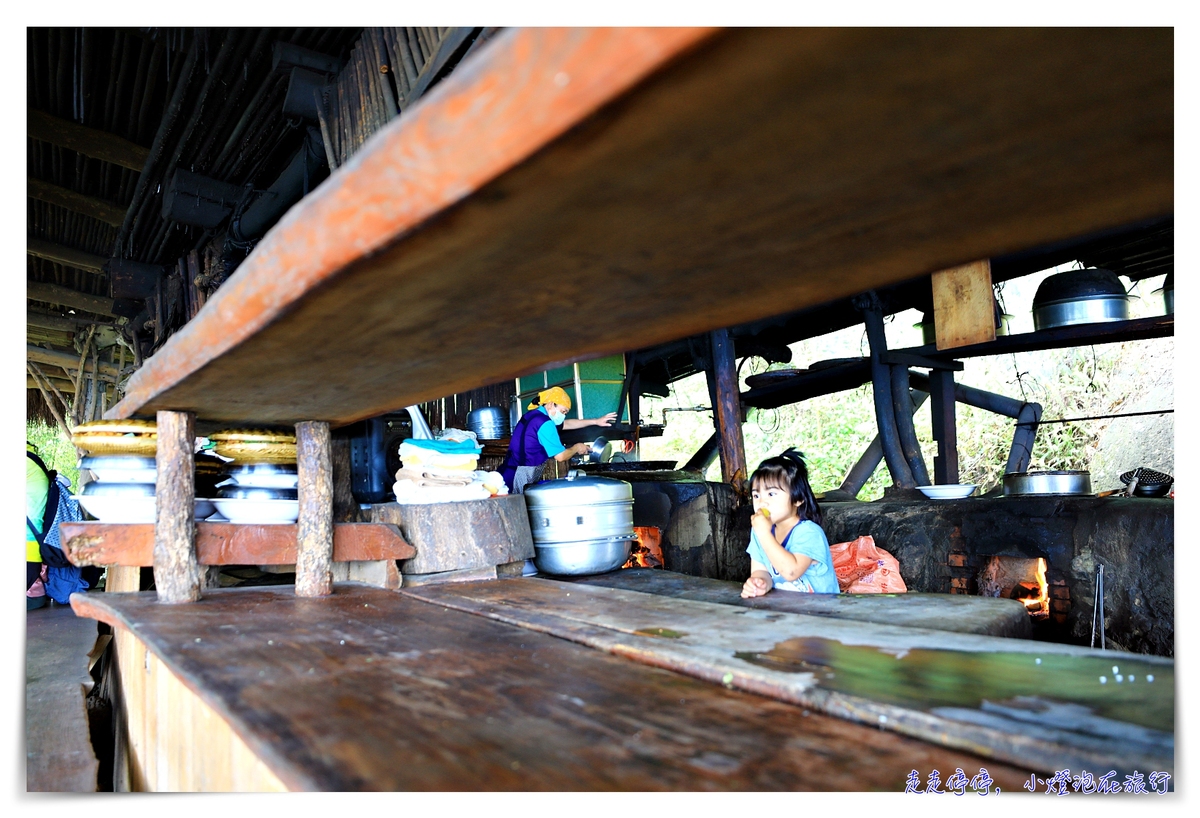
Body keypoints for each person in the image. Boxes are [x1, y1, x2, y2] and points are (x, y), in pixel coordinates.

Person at [741, 448, 839, 597]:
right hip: (787, 610)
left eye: (771, 494)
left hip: (822, 612)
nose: (762, 502)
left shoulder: (809, 532)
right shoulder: (759, 530)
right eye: (756, 495)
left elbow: (791, 571)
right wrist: (760, 583)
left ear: (798, 499)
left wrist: (764, 533)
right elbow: (760, 570)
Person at [500, 386, 616, 494]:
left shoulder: (533, 415)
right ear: (551, 404)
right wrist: (577, 448)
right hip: (518, 477)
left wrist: (596, 421)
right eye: (563, 411)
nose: (563, 415)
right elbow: (561, 456)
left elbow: (567, 423)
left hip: (507, 473)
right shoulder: (545, 423)